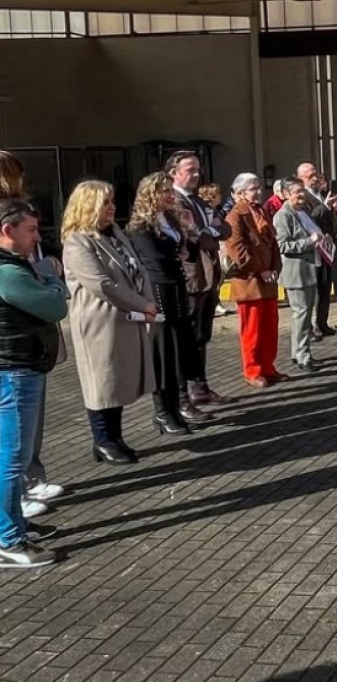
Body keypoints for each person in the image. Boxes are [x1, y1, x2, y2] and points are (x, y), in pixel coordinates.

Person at [61, 180, 155, 464]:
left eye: (112, 201)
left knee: (118, 382)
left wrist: (148, 301)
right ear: (88, 206)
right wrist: (142, 304)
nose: (111, 207)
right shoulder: (77, 241)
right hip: (99, 323)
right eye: (105, 202)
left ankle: (115, 437)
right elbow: (101, 285)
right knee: (101, 383)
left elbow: (137, 269)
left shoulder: (115, 232)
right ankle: (103, 440)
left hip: (126, 319)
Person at [0, 199, 67, 569]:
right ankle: (9, 539)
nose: (36, 237)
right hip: (14, 370)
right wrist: (53, 280)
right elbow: (55, 307)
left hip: (19, 367)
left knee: (14, 456)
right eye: (30, 230)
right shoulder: (8, 272)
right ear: (7, 231)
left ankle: (13, 524)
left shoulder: (15, 266)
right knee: (13, 459)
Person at [127, 172, 210, 432]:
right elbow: (155, 259)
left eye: (170, 191)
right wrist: (178, 250)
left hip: (176, 287)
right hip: (158, 290)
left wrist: (189, 237)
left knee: (179, 349)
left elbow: (189, 252)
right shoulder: (141, 225)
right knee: (163, 350)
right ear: (151, 194)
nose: (170, 195)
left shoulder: (171, 219)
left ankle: (177, 408)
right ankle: (163, 411)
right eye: (164, 191)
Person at [167, 150, 232, 407]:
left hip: (209, 275)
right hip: (191, 277)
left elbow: (225, 227)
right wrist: (210, 231)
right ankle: (186, 393)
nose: (196, 175)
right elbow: (195, 236)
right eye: (190, 170)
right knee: (188, 337)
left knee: (202, 335)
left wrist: (210, 230)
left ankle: (200, 386)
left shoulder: (199, 201)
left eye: (197, 169)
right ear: (174, 173)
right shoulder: (173, 202)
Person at [224, 173, 286, 390]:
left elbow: (273, 244)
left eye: (259, 187)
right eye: (253, 188)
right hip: (250, 282)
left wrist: (275, 268)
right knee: (252, 331)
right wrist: (261, 270)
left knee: (270, 328)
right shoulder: (235, 217)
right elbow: (237, 251)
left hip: (268, 281)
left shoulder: (262, 212)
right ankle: (253, 370)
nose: (258, 191)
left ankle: (268, 367)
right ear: (240, 193)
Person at [274, 177, 329, 374]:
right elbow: (282, 245)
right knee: (301, 315)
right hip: (296, 272)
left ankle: (300, 352)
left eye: (302, 191)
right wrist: (309, 241)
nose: (301, 195)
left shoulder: (303, 211)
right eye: (297, 192)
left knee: (305, 316)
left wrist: (322, 239)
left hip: (310, 268)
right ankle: (302, 355)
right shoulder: (283, 216)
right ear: (287, 194)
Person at [296, 162, 337, 335]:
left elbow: (331, 220)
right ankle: (312, 326)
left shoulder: (322, 194)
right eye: (310, 175)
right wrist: (325, 207)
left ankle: (323, 323)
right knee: (314, 289)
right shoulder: (302, 197)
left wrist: (334, 211)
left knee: (325, 287)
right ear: (301, 178)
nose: (315, 178)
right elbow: (308, 219)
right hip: (313, 249)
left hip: (327, 247)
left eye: (316, 174)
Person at [198, 182, 231, 316]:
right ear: (211, 196)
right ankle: (213, 303)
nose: (221, 197)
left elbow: (223, 227)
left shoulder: (216, 211)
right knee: (213, 275)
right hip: (210, 249)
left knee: (218, 276)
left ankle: (215, 302)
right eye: (218, 194)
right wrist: (217, 229)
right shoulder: (206, 211)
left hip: (216, 246)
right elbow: (210, 229)